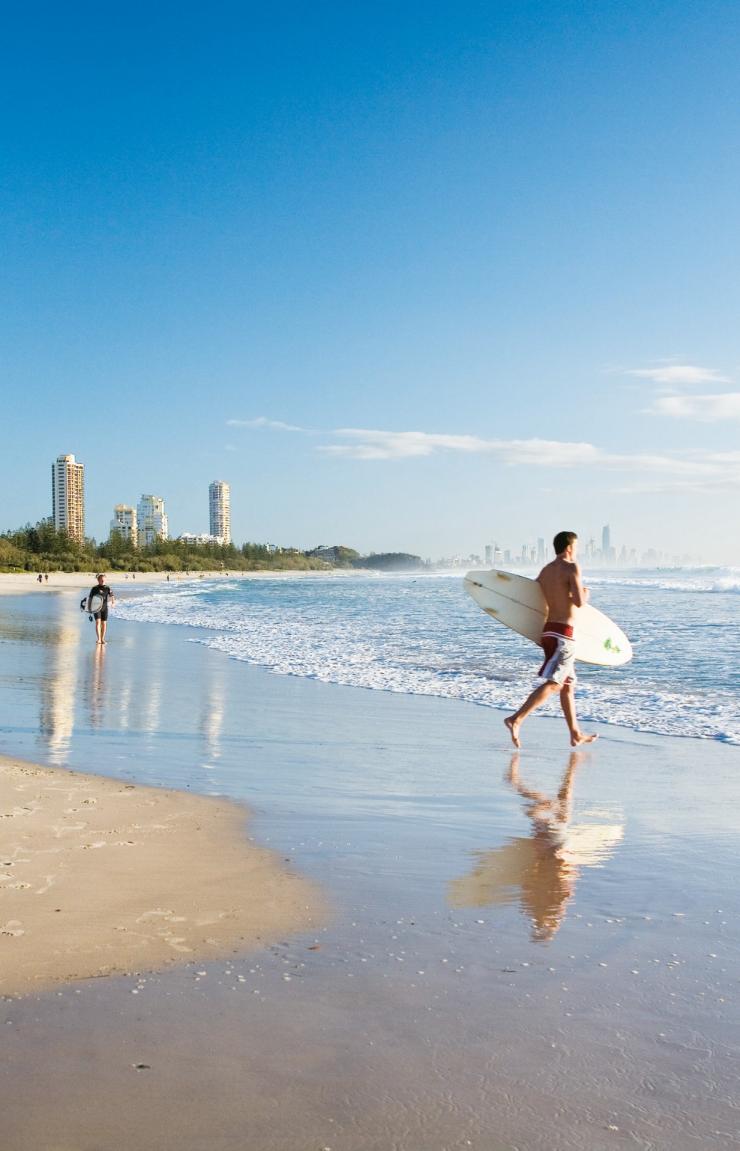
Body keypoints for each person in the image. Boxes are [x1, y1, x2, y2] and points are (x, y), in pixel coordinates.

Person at [504, 531, 597, 748]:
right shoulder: (571, 567)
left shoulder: (546, 571)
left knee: (567, 685)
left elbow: (534, 599)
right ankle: (516, 718)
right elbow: (580, 602)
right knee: (555, 683)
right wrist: (586, 592)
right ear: (569, 548)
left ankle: (575, 734)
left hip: (548, 631)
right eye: (576, 546)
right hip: (564, 634)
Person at [88, 573, 115, 646]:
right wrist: (89, 607)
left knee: (104, 624)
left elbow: (112, 595)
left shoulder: (107, 588)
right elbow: (90, 598)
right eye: (101, 580)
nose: (103, 581)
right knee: (97, 622)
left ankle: (102, 639)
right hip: (96, 608)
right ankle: (99, 639)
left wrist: (113, 602)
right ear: (98, 580)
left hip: (104, 608)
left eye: (104, 580)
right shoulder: (94, 588)